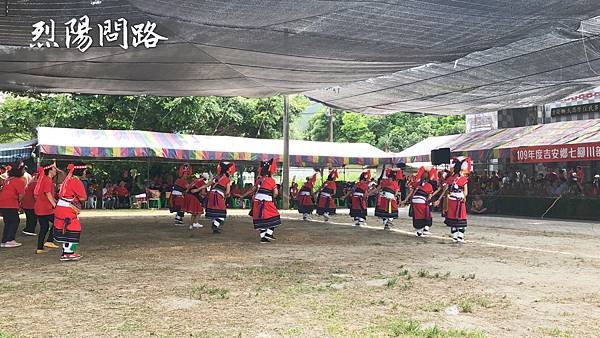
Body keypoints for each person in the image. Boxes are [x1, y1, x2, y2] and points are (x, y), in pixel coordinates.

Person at [54, 163, 88, 261]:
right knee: (74, 231)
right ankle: (70, 253)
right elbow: (83, 197)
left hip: (61, 207)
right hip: (68, 208)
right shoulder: (76, 181)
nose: (85, 172)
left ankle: (66, 252)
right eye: (85, 170)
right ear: (81, 171)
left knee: (66, 230)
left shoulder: (67, 179)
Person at [436, 157, 471, 243]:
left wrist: (438, 199)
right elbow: (466, 192)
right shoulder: (463, 179)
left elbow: (445, 191)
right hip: (460, 200)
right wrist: (463, 197)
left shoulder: (450, 179)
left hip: (451, 200)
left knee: (453, 219)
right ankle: (460, 237)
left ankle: (455, 237)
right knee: (461, 219)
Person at [248, 159, 281, 243]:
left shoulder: (259, 180)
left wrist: (242, 195)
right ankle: (269, 234)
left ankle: (263, 238)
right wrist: (273, 197)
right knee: (275, 216)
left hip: (257, 201)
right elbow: (276, 193)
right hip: (266, 200)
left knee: (261, 218)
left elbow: (253, 190)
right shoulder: (271, 180)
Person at [34, 163, 59, 254]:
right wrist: (54, 204)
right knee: (58, 221)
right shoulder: (48, 180)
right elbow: (47, 193)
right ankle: (49, 241)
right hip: (46, 208)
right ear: (50, 170)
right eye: (54, 169)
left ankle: (40, 247)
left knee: (44, 227)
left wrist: (55, 202)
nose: (56, 171)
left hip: (39, 207)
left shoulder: (43, 179)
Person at [0, 161, 26, 248]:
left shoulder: (8, 180)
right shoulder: (19, 181)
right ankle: (10, 239)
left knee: (8, 222)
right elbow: (21, 195)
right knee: (15, 221)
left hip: (3, 203)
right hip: (11, 203)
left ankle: (5, 240)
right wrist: (19, 202)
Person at [204, 161, 235, 234]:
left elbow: (208, 185)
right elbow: (227, 192)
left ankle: (215, 226)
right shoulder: (227, 180)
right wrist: (228, 195)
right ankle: (215, 225)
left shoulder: (216, 177)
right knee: (222, 213)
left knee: (215, 212)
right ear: (228, 171)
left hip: (211, 194)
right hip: (218, 196)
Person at [404, 167, 435, 237]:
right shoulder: (429, 185)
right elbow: (429, 196)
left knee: (417, 215)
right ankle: (426, 229)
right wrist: (430, 202)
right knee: (427, 215)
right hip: (422, 201)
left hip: (414, 201)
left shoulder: (416, 184)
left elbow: (410, 192)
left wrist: (405, 200)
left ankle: (419, 231)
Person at [21, 171, 38, 236]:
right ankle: (30, 230)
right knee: (33, 218)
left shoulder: (30, 184)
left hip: (26, 203)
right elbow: (35, 195)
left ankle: (27, 229)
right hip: (31, 204)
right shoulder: (35, 184)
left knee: (29, 218)